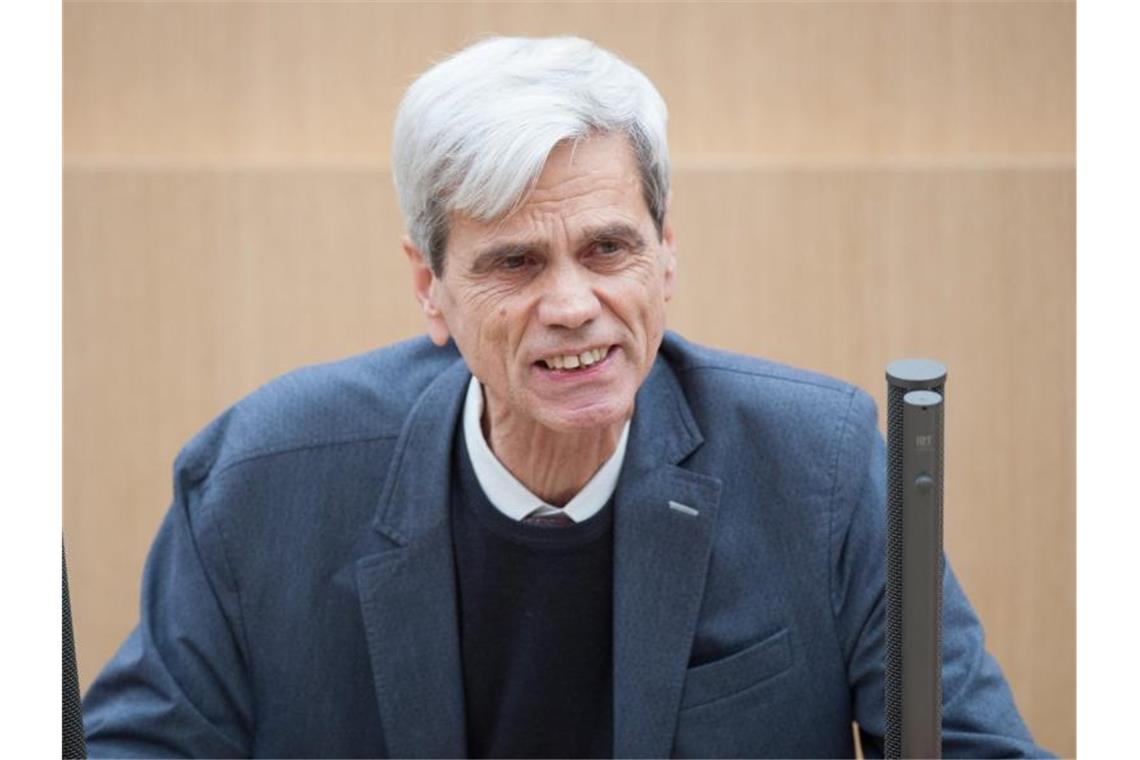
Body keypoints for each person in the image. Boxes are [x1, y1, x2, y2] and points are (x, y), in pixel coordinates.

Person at [82, 36, 1049, 758]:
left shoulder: (822, 467)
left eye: (608, 248)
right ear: (431, 290)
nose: (573, 306)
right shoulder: (264, 481)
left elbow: (971, 745)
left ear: (665, 258)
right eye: (515, 262)